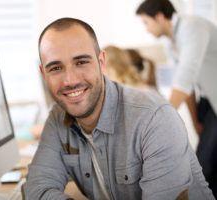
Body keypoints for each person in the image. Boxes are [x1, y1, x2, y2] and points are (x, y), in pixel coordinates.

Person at [24, 17, 214, 200]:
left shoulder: (154, 118)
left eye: (81, 62)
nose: (70, 80)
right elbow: (37, 188)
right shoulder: (58, 118)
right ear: (43, 73)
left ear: (101, 62)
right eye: (55, 68)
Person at [136, 0, 217, 197]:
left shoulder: (192, 26)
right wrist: (196, 119)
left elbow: (185, 76)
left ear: (160, 17)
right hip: (208, 101)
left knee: (203, 167)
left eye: (146, 23)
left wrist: (161, 117)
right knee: (209, 165)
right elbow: (187, 89)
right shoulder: (172, 43)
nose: (146, 29)